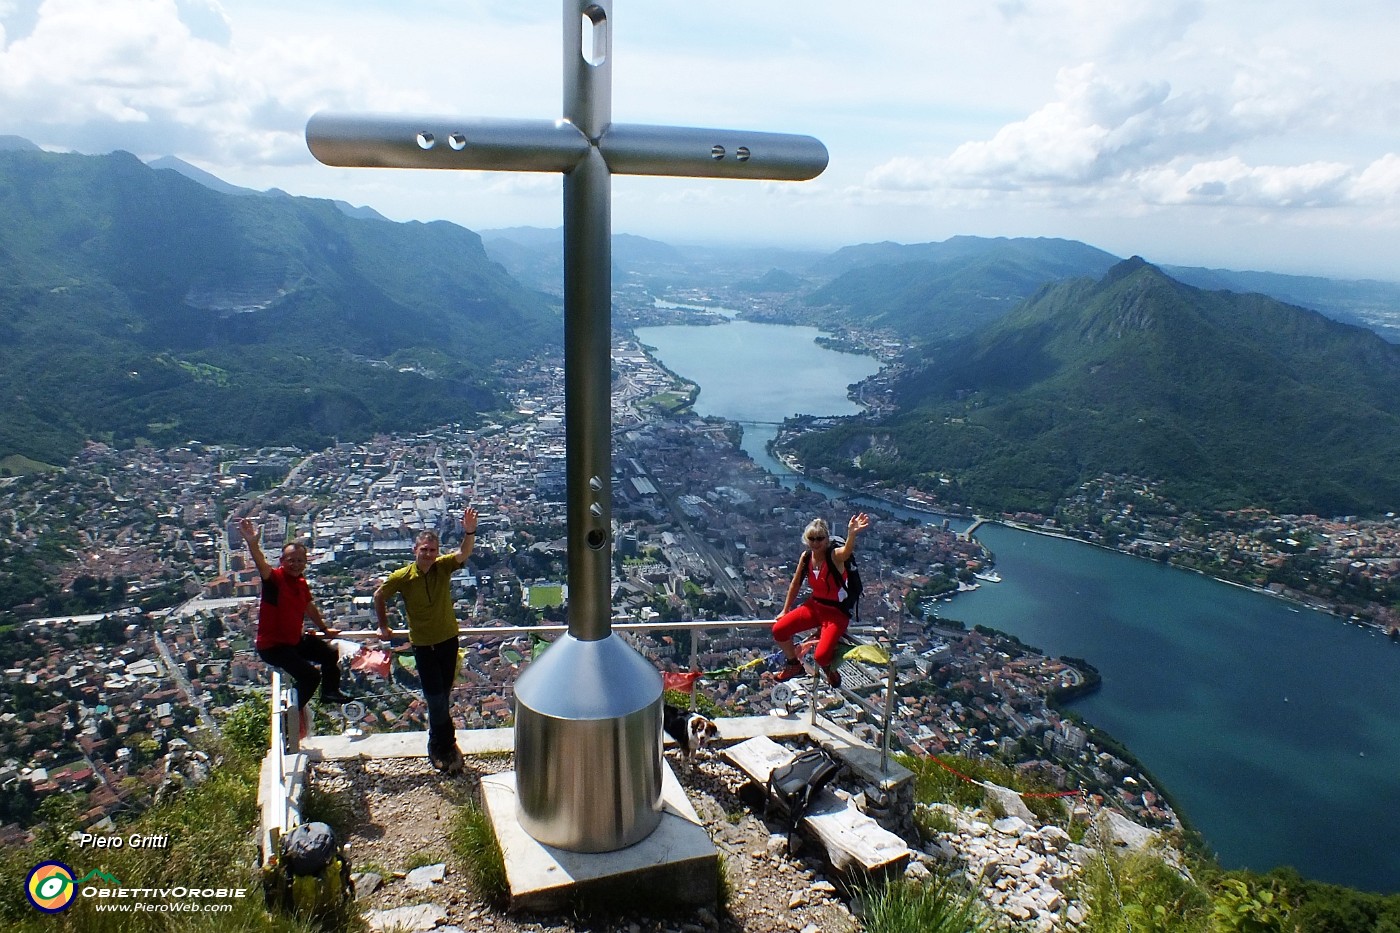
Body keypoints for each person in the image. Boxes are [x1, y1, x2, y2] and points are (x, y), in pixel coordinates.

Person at [374, 506, 478, 773]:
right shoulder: (403, 577)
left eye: (433, 550)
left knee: (442, 696)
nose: (429, 554)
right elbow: (378, 596)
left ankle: (442, 746)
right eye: (425, 550)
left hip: (448, 641)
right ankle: (442, 744)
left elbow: (464, 553)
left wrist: (469, 530)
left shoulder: (442, 568)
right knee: (435, 699)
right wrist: (383, 626)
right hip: (423, 645)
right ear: (415, 550)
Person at [238, 517, 346, 708]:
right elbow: (260, 563)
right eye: (291, 560)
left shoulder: (301, 583)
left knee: (329, 654)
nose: (295, 564)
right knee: (311, 677)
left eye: (299, 561)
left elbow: (309, 607)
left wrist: (324, 629)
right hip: (273, 647)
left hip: (293, 640)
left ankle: (330, 692)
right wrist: (252, 544)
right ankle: (291, 715)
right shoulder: (275, 580)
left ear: (305, 562)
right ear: (282, 561)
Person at [772, 512, 871, 688]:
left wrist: (852, 534)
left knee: (820, 656)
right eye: (812, 538)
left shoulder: (834, 556)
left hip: (836, 612)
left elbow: (846, 551)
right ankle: (794, 665)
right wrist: (785, 610)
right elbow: (795, 584)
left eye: (820, 538)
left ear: (827, 540)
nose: (816, 543)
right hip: (814, 606)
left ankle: (829, 668)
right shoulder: (806, 558)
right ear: (806, 540)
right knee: (779, 630)